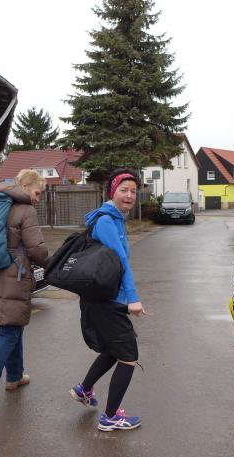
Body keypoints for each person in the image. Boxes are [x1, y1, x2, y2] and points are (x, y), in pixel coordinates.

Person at [69, 169, 146, 431]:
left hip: (104, 298)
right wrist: (133, 299)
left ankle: (84, 389)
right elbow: (121, 262)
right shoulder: (106, 222)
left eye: (133, 191)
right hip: (106, 300)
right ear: (112, 192)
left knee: (115, 350)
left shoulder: (115, 219)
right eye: (123, 190)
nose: (129, 195)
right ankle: (110, 417)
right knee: (128, 356)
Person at [0, 169, 49, 416]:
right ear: (25, 186)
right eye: (37, 193)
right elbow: (36, 249)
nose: (38, 199)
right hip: (14, 276)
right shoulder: (25, 210)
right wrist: (54, 264)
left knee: (13, 325)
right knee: (8, 333)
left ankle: (14, 376)